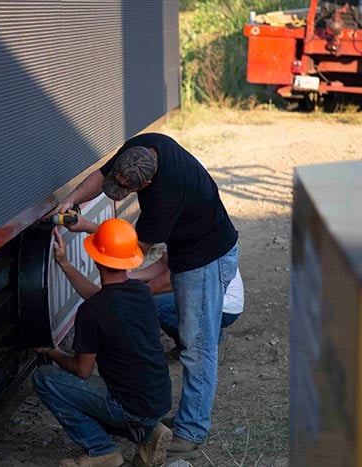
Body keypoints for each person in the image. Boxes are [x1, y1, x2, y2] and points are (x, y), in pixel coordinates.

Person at [55, 133, 239, 452]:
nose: (119, 189)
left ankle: (192, 430)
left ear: (147, 182)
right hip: (185, 250)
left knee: (197, 345)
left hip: (206, 259)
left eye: (126, 189)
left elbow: (130, 249)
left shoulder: (167, 195)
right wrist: (71, 199)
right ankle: (185, 420)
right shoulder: (143, 147)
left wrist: (86, 227)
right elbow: (102, 175)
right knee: (187, 332)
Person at [32, 218, 172, 467]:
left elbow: (81, 370)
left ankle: (101, 450)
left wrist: (52, 352)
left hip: (130, 406)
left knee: (44, 378)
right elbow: (104, 300)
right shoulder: (141, 292)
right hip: (159, 399)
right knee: (120, 401)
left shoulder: (93, 311)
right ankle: (150, 432)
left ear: (97, 259)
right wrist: (64, 263)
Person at [130, 248, 244, 348]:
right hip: (209, 297)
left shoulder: (187, 234)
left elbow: (169, 281)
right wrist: (129, 277)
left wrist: (136, 294)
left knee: (156, 306)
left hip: (222, 306)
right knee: (152, 297)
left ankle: (211, 339)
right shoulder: (176, 229)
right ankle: (190, 343)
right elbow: (163, 265)